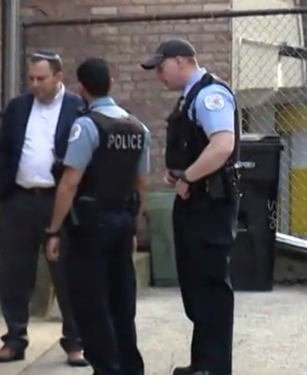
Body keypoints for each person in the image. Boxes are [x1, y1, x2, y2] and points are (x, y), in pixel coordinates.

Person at [141, 39, 240, 375]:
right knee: (196, 285)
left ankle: (213, 367)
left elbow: (223, 144)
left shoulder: (211, 96)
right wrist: (179, 173)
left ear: (182, 61)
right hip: (195, 202)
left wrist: (189, 178)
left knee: (210, 287)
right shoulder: (190, 98)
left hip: (209, 205)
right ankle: (202, 362)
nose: (158, 75)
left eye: (161, 67)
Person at [44, 57, 147, 375]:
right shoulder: (137, 127)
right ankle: (130, 367)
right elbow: (141, 183)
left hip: (90, 224)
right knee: (122, 302)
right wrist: (132, 226)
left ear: (82, 88)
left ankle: (106, 368)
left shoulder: (87, 126)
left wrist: (54, 230)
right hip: (122, 220)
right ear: (111, 83)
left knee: (91, 303)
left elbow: (70, 183)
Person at [0, 50, 88, 367]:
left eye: (41, 79)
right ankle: (14, 338)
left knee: (68, 273)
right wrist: (4, 189)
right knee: (14, 273)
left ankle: (75, 342)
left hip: (58, 201)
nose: (35, 85)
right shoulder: (18, 107)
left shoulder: (77, 108)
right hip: (18, 199)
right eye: (31, 78)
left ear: (59, 77)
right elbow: (4, 149)